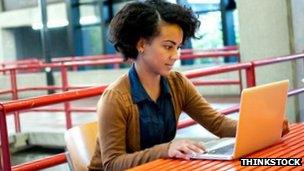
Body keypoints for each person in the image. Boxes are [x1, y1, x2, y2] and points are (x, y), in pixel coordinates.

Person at [88, 0, 290, 170]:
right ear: (141, 45)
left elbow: (216, 123)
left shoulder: (177, 83)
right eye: (168, 46)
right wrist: (166, 149)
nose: (175, 56)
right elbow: (112, 164)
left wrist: (262, 127)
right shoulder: (116, 98)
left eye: (178, 47)